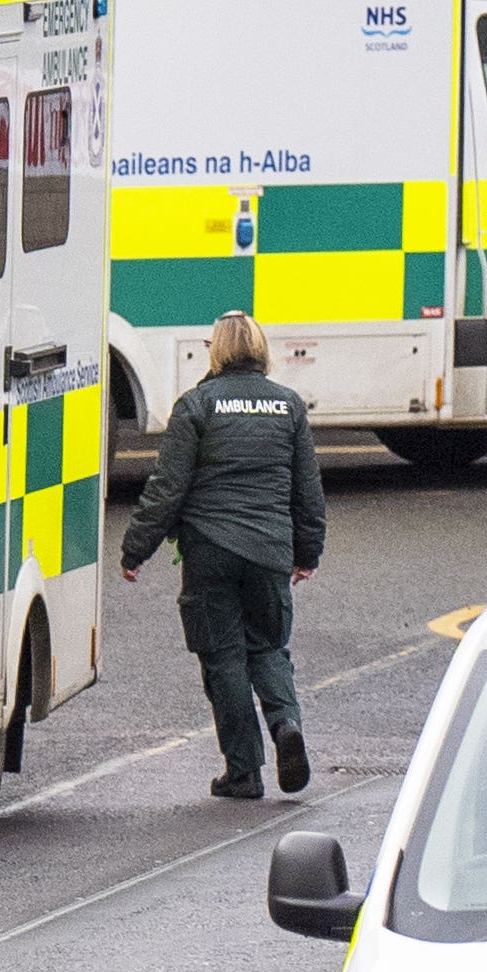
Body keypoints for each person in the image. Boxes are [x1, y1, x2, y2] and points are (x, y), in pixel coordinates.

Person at [121, 311, 325, 802]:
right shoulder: (288, 405)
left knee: (223, 657)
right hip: (269, 548)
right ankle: (285, 725)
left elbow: (168, 487)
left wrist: (136, 548)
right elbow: (307, 489)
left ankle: (244, 772)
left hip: (210, 550)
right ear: (261, 348)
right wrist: (307, 551)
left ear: (215, 350)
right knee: (269, 647)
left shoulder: (196, 405)